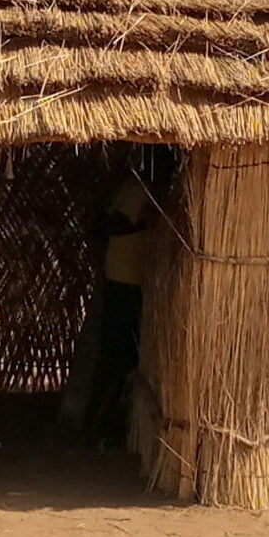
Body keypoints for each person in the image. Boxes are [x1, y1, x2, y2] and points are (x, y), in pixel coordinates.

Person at [81, 168, 157, 444]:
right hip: (125, 280)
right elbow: (111, 224)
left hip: (129, 278)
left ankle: (103, 423)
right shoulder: (138, 188)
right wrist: (148, 225)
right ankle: (99, 424)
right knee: (120, 353)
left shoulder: (138, 187)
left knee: (121, 354)